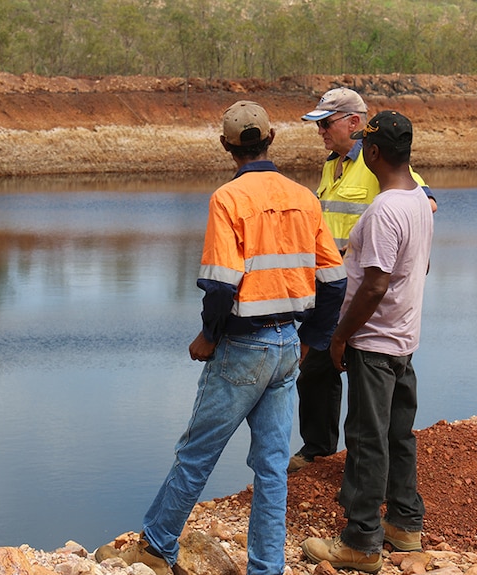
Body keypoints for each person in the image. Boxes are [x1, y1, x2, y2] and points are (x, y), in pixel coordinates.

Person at [95, 100, 346, 575]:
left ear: (226, 145)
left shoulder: (228, 199)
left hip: (243, 349)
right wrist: (311, 338)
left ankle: (157, 546)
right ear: (271, 139)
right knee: (272, 468)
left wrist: (208, 335)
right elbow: (335, 283)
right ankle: (266, 568)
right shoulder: (304, 197)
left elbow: (220, 283)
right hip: (287, 346)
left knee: (196, 454)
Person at [301, 111, 434, 573]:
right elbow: (419, 268)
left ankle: (361, 541)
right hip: (403, 339)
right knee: (398, 433)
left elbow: (374, 285)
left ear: (373, 152)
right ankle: (404, 524)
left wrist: (339, 337)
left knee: (365, 438)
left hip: (374, 343)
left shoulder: (384, 210)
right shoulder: (419, 200)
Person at [289, 88, 436, 473]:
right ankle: (319, 448)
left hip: (363, 292)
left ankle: (365, 467)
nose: (320, 131)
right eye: (317, 124)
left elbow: (424, 201)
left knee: (365, 372)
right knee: (316, 369)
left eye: (326, 123)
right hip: (328, 288)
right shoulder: (330, 166)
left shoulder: (375, 162)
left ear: (354, 122)